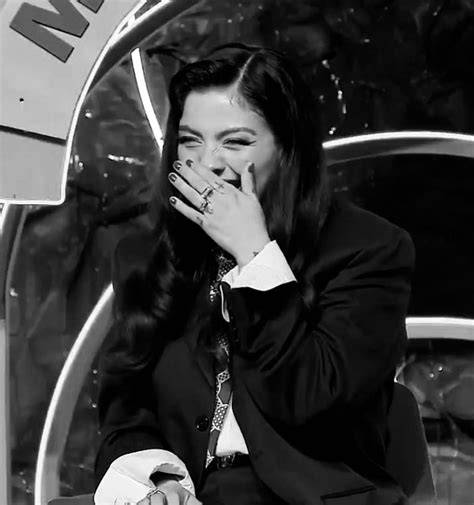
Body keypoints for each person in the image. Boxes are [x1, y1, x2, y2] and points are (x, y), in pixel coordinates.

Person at [93, 43, 415, 505]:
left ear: (289, 150)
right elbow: (125, 410)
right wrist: (158, 482)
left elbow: (311, 401)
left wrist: (255, 255)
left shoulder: (368, 249)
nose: (208, 163)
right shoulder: (144, 255)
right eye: (190, 140)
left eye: (236, 142)